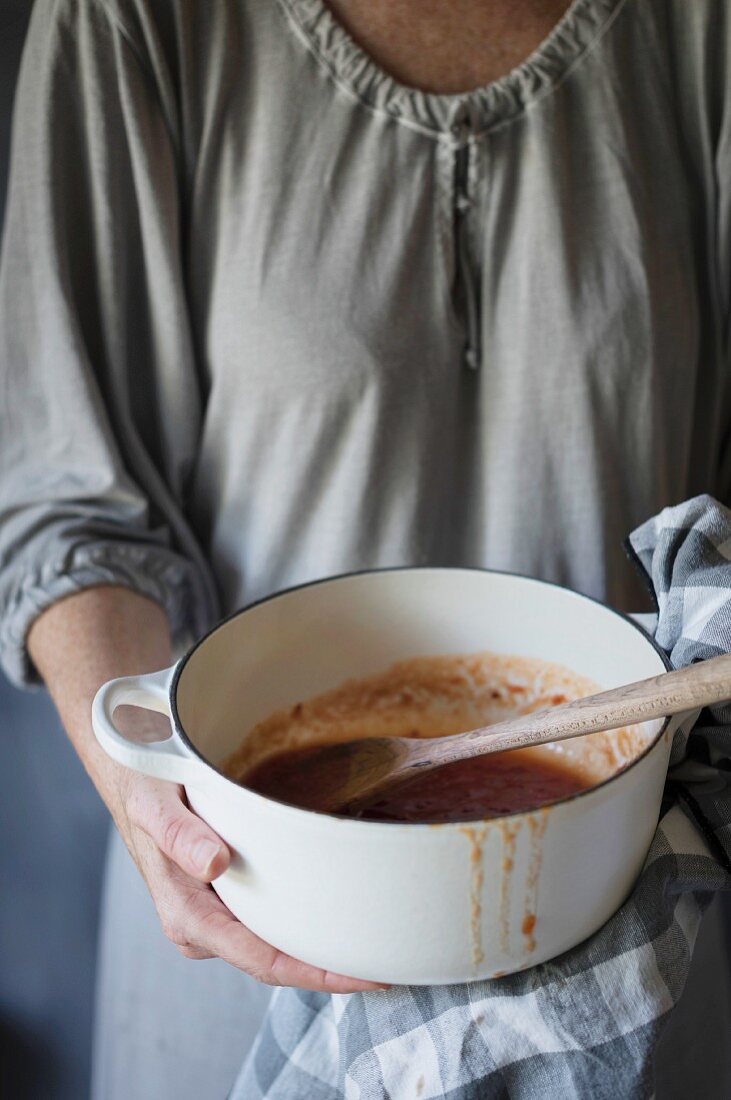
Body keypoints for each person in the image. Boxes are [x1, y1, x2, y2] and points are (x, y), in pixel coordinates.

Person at [1, 0, 730, 1096]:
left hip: (631, 955)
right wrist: (139, 787)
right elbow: (68, 497)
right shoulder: (136, 18)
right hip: (239, 925)